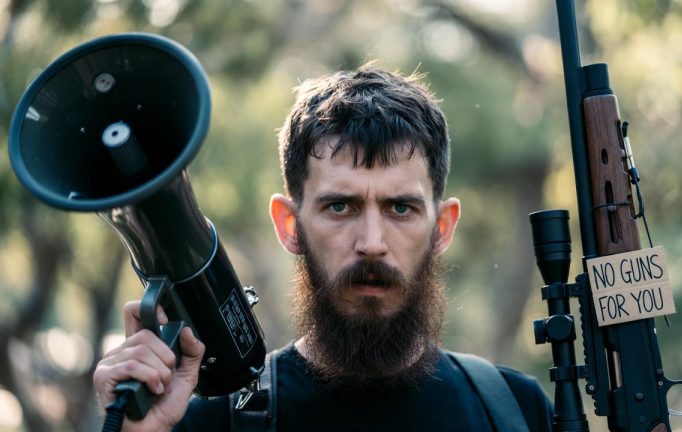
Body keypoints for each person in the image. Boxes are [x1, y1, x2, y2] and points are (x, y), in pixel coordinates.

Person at [93, 65, 554, 431]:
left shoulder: (516, 412)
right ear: (289, 224)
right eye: (340, 207)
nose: (372, 244)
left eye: (400, 208)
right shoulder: (211, 421)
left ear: (442, 228)